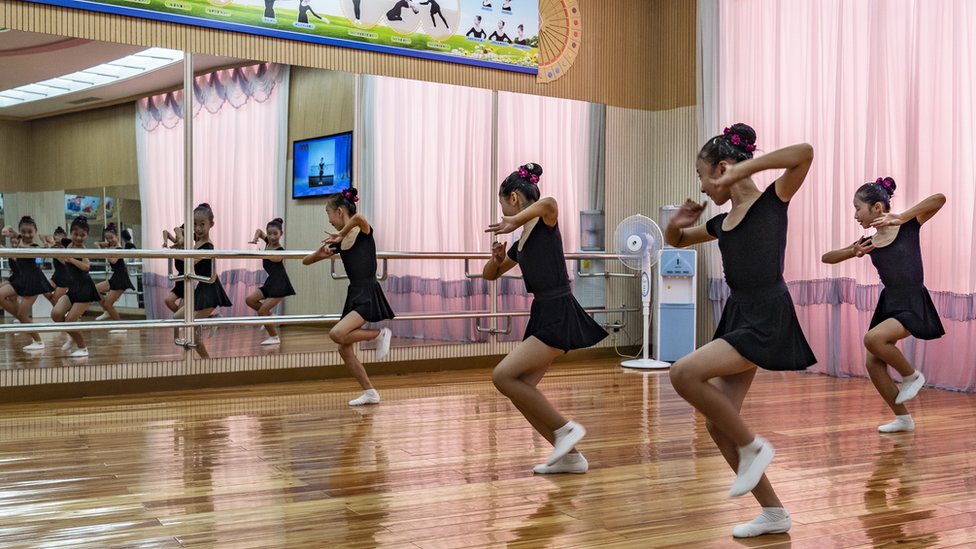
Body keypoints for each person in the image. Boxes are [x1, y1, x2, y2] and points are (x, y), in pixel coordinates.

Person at [665, 123, 816, 538]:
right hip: (739, 313)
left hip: (767, 316)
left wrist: (738, 175)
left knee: (683, 372)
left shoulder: (773, 201)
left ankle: (753, 447)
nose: (701, 185)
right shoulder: (721, 221)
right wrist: (675, 223)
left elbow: (803, 151)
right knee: (718, 423)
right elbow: (675, 242)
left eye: (702, 175)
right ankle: (773, 513)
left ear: (724, 167)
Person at [484, 162, 607, 474]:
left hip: (558, 310)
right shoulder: (520, 241)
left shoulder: (545, 220)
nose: (503, 212)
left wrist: (512, 221)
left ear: (513, 198)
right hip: (542, 312)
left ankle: (566, 430)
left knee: (503, 376)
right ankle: (571, 457)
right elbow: (491, 276)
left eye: (502, 203)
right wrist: (495, 258)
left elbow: (548, 202)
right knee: (520, 387)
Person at [822, 178, 946, 433]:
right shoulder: (870, 242)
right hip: (890, 303)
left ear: (877, 208)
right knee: (873, 363)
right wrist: (852, 251)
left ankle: (912, 376)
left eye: (858, 208)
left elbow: (939, 199)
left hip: (912, 302)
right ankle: (903, 419)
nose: (855, 214)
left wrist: (901, 217)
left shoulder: (908, 226)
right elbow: (827, 258)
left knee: (873, 339)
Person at [303, 188, 394, 406]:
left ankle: (379, 334)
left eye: (329, 213)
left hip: (368, 292)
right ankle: (370, 392)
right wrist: (318, 255)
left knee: (337, 333)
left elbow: (359, 218)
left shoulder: (363, 231)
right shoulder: (338, 242)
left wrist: (342, 233)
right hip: (354, 293)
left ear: (340, 211)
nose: (329, 219)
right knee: (343, 347)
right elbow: (305, 261)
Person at [52, 215, 101, 358]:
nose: (79, 238)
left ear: (87, 236)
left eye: (82, 235)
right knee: (56, 314)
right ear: (71, 233)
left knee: (70, 321)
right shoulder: (67, 242)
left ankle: (83, 348)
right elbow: (56, 240)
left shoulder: (83, 249)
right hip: (73, 288)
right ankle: (73, 336)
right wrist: (50, 245)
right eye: (76, 234)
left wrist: (71, 259)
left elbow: (86, 266)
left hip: (85, 289)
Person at [247, 217, 296, 345]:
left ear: (281, 234)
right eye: (269, 234)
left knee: (261, 311)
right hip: (271, 282)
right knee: (250, 300)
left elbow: (277, 259)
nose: (272, 237)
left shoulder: (279, 250)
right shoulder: (268, 242)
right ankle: (269, 315)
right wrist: (255, 239)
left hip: (280, 284)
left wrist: (261, 254)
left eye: (275, 234)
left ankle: (274, 337)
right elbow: (258, 230)